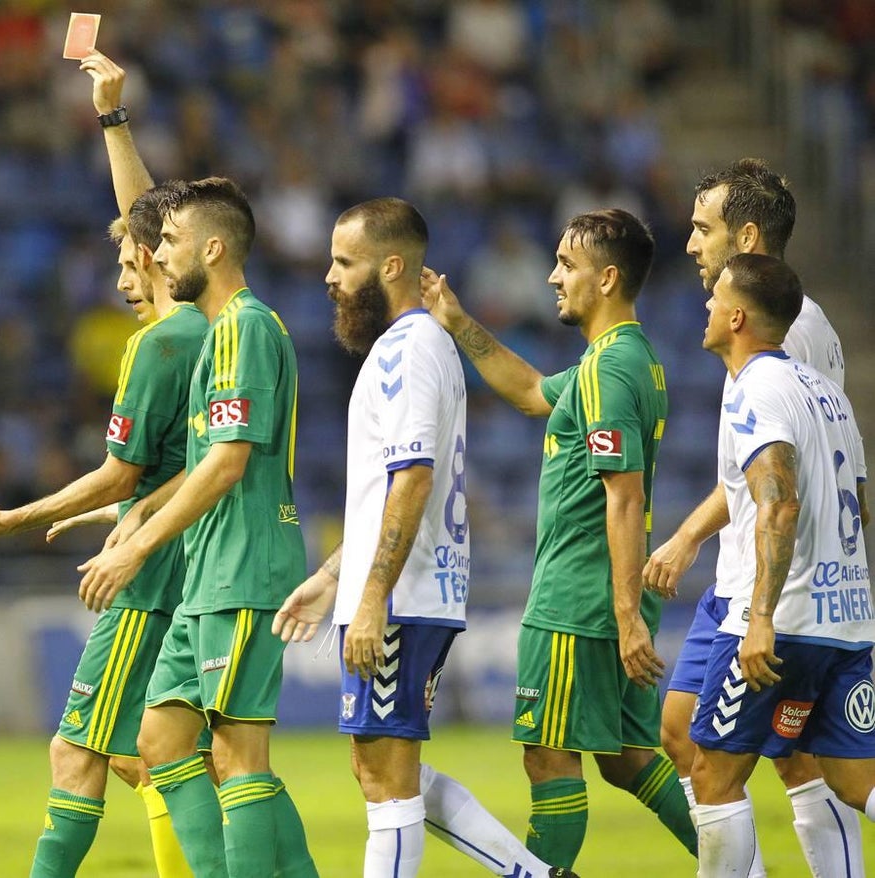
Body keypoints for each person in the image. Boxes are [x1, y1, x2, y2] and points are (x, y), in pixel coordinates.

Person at [0, 53, 210, 878]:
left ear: (160, 262)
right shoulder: (226, 326)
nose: (124, 271)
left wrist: (16, 517)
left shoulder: (158, 346)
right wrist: (113, 119)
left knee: (77, 752)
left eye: (132, 261)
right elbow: (150, 222)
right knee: (153, 752)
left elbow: (122, 474)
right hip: (200, 556)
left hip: (150, 570)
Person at [272, 197, 578, 878]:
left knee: (385, 778)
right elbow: (390, 491)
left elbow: (413, 478)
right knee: (382, 766)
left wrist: (374, 594)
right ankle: (534, 876)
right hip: (403, 591)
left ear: (389, 265)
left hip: (403, 597)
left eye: (343, 262)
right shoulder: (408, 347)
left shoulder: (408, 350)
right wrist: (331, 579)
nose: (328, 275)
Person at [423, 209, 696, 869]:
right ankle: (739, 864)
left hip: (580, 600)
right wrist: (459, 323)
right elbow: (527, 392)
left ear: (605, 278)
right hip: (607, 597)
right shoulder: (624, 361)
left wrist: (627, 616)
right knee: (629, 758)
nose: (552, 277)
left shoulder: (608, 370)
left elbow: (623, 495)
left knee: (548, 755)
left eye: (566, 266)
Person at [75, 176, 318, 878]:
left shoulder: (243, 325)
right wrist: (137, 513)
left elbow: (226, 463)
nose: (157, 255)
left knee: (238, 754)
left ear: (212, 249)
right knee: (159, 737)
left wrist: (138, 544)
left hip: (244, 565)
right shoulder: (222, 332)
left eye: (171, 243)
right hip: (207, 573)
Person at [642, 157, 859, 877]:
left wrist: (766, 603)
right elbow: (756, 476)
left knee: (781, 760)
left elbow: (788, 480)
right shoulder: (780, 335)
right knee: (683, 732)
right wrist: (688, 535)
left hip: (771, 592)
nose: (691, 244)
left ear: (747, 236)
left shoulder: (785, 340)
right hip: (761, 581)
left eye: (704, 229)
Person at [687, 252, 875, 876]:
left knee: (713, 774)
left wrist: (761, 616)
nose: (706, 307)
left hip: (779, 621)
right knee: (855, 781)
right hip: (845, 622)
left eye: (715, 300)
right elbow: (862, 510)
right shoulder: (827, 395)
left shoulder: (754, 388)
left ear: (737, 316)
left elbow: (779, 501)